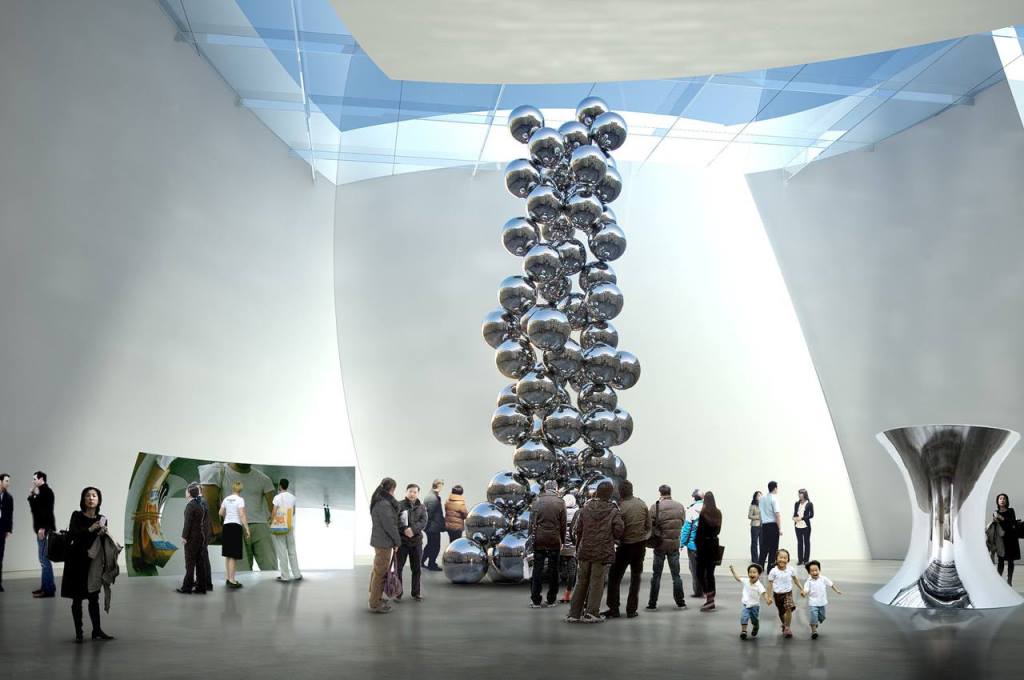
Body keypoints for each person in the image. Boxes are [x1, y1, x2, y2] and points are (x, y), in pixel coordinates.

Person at [199, 462, 276, 572]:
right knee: (238, 572)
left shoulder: (263, 478)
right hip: (232, 526)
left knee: (271, 569)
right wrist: (216, 527)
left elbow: (273, 507)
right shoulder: (218, 471)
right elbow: (209, 501)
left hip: (259, 525)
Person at [62, 487, 114, 643]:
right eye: (88, 496)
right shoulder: (76, 515)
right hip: (76, 562)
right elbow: (73, 535)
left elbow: (99, 543)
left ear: (99, 499)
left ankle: (96, 630)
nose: (91, 498)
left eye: (94, 495)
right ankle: (79, 633)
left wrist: (103, 533)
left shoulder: (102, 518)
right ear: (83, 499)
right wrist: (90, 529)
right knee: (77, 599)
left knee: (93, 597)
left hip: (93, 563)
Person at [567, 481, 623, 624]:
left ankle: (574, 613)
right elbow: (619, 530)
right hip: (602, 552)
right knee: (597, 583)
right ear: (610, 494)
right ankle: (591, 613)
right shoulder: (613, 510)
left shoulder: (585, 508)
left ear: (597, 492)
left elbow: (578, 529)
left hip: (585, 550)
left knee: (581, 582)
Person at [603, 480, 650, 619]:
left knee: (614, 577)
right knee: (636, 578)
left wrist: (616, 540)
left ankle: (614, 608)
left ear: (620, 492)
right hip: (639, 546)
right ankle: (631, 610)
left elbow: (616, 529)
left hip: (624, 547)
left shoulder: (620, 508)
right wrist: (643, 538)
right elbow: (649, 527)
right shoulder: (642, 504)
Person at [646, 484, 686, 611]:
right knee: (676, 575)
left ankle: (652, 603)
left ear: (660, 493)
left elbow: (649, 524)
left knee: (656, 575)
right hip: (674, 545)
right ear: (670, 492)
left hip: (660, 545)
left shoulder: (655, 506)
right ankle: (681, 603)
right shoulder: (679, 506)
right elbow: (682, 522)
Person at [529, 480, 566, 609]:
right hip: (554, 540)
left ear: (545, 488)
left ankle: (536, 600)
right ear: (556, 488)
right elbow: (563, 524)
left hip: (539, 540)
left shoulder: (537, 501)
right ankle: (551, 599)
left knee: (537, 569)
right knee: (553, 570)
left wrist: (530, 538)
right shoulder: (560, 502)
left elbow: (531, 523)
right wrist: (562, 541)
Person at [368, 478, 400, 613]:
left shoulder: (378, 500)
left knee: (377, 571)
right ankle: (375, 603)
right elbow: (390, 526)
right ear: (392, 489)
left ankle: (375, 598)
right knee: (380, 573)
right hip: (384, 542)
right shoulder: (384, 504)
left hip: (380, 541)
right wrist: (397, 541)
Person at [176, 483, 211, 594]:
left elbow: (188, 524)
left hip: (192, 538)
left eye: (187, 490)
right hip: (200, 537)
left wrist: (184, 537)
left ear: (190, 493)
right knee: (200, 563)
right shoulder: (200, 506)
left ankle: (187, 587)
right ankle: (201, 587)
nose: (185, 492)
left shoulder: (190, 506)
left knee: (190, 563)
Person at [27, 471, 57, 598]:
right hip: (42, 529)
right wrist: (32, 494)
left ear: (41, 479)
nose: (33, 481)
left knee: (44, 559)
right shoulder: (42, 493)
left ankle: (48, 590)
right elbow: (35, 509)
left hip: (44, 529)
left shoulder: (46, 492)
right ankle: (47, 587)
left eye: (35, 479)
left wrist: (43, 528)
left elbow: (46, 512)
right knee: (43, 559)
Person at [397, 483, 427, 602]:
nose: (412, 494)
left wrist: (413, 530)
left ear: (418, 493)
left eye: (415, 492)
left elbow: (424, 521)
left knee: (416, 569)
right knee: (398, 568)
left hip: (416, 542)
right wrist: (404, 530)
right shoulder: (399, 505)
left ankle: (416, 593)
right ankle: (398, 593)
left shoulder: (422, 507)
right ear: (406, 492)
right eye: (410, 491)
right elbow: (395, 521)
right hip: (402, 542)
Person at [218, 480, 250, 589]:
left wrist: (227, 516)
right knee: (233, 555)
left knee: (228, 554)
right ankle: (232, 580)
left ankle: (228, 578)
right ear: (240, 489)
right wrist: (247, 528)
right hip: (235, 526)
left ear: (233, 488)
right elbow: (242, 514)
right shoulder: (240, 500)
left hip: (226, 526)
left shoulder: (226, 499)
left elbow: (220, 512)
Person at [765, 547, 802, 639]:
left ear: (788, 560)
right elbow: (769, 585)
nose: (782, 559)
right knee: (781, 612)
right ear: (776, 559)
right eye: (780, 557)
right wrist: (768, 597)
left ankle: (787, 628)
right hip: (777, 595)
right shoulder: (773, 571)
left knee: (788, 608)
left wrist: (802, 588)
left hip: (788, 593)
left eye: (785, 558)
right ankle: (784, 624)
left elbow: (795, 579)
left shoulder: (790, 569)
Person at [800, 559, 842, 639]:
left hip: (822, 602)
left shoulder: (823, 578)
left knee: (822, 617)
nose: (815, 572)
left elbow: (831, 584)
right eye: (812, 571)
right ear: (809, 573)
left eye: (816, 570)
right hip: (813, 602)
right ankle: (814, 631)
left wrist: (837, 590)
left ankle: (816, 622)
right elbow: (806, 589)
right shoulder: (808, 581)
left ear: (819, 570)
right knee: (813, 616)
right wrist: (803, 593)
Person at [696, 490, 722, 612]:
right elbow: (718, 530)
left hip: (703, 546)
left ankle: (709, 597)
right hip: (714, 545)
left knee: (700, 573)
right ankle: (711, 599)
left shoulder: (703, 513)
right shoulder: (718, 513)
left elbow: (700, 532)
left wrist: (697, 547)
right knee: (710, 574)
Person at [271, 478, 302, 582]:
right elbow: (293, 512)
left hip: (280, 526)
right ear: (287, 486)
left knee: (282, 551)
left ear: (280, 486)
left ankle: (285, 576)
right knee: (292, 550)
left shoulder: (277, 497)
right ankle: (297, 574)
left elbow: (274, 512)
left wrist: (272, 521)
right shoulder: (293, 497)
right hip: (289, 526)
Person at [728, 563, 765, 640]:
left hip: (755, 606)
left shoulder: (759, 585)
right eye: (750, 572)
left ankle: (756, 626)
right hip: (745, 604)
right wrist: (733, 571)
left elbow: (764, 593)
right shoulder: (746, 581)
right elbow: (738, 578)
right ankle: (744, 631)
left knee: (754, 619)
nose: (752, 574)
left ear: (759, 574)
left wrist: (768, 599)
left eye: (754, 572)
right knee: (744, 617)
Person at [680, 489, 704, 598]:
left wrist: (682, 543)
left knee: (694, 568)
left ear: (694, 498)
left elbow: (686, 529)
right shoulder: (710, 509)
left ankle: (698, 591)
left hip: (693, 545)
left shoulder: (691, 510)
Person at [993, 493, 1019, 585]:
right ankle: (999, 581)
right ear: (997, 501)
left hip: (1011, 539)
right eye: (1000, 499)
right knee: (1000, 560)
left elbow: (1012, 522)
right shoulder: (995, 512)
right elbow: (997, 527)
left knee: (1010, 561)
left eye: (1004, 498)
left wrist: (1000, 517)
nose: (1002, 500)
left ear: (1006, 501)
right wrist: (995, 520)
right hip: (1001, 540)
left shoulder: (1011, 510)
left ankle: (1009, 581)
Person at [559, 493, 579, 603]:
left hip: (560, 546)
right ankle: (568, 593)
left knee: (556, 569)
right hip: (573, 547)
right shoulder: (578, 512)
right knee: (573, 571)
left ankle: (552, 597)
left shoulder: (559, 512)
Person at [421, 479, 445, 571]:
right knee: (435, 546)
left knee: (430, 545)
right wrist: (426, 526)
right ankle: (431, 564)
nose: (442, 488)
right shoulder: (433, 498)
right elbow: (429, 514)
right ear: (438, 486)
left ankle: (422, 561)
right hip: (432, 527)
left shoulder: (431, 496)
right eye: (441, 485)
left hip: (431, 526)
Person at [759, 481, 782, 571]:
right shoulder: (774, 498)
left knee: (764, 547)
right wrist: (780, 528)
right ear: (775, 488)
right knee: (773, 548)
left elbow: (761, 512)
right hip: (773, 525)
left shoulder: (762, 498)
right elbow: (777, 514)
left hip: (764, 525)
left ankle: (759, 567)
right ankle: (770, 568)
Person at [793, 489, 814, 566]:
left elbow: (811, 515)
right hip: (797, 526)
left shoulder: (809, 504)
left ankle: (806, 560)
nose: (799, 495)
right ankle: (800, 560)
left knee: (806, 542)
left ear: (804, 494)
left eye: (800, 494)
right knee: (799, 543)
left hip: (806, 526)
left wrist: (801, 518)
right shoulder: (796, 503)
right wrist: (794, 517)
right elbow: (795, 513)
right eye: (799, 494)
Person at [0, 473, 11, 592]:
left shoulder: (9, 498)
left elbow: (9, 515)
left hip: (1, 529)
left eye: (8, 481)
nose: (8, 483)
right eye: (6, 481)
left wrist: (8, 529)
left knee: (0, 557)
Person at [748, 491, 762, 565]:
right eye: (758, 495)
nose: (760, 497)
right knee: (754, 543)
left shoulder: (763, 505)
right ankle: (754, 559)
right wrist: (758, 517)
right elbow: (749, 516)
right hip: (755, 526)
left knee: (762, 543)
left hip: (762, 526)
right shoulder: (753, 506)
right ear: (755, 497)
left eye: (761, 495)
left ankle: (761, 558)